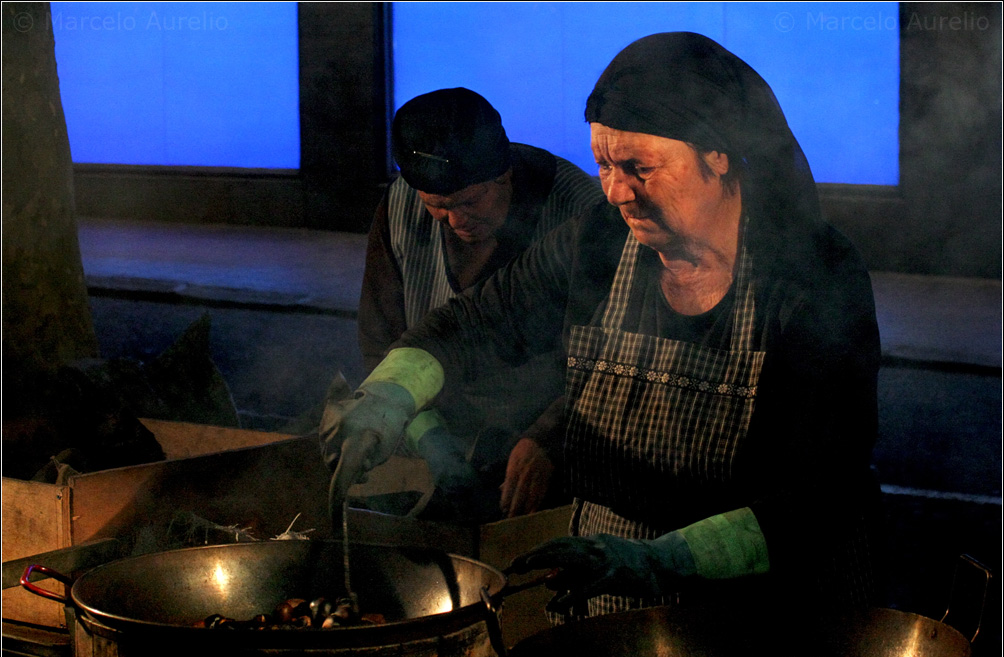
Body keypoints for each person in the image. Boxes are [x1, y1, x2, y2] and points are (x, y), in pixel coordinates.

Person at [322, 33, 881, 617]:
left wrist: (668, 559)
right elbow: (473, 325)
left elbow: (825, 495)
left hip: (766, 604)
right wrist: (389, 393)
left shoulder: (815, 278)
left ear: (719, 154)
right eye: (604, 165)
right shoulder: (599, 241)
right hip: (613, 591)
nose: (616, 193)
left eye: (639, 168)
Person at [354, 87, 604, 521]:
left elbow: (607, 357)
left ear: (504, 175)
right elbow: (382, 339)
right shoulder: (399, 207)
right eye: (437, 206)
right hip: (439, 433)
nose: (455, 221)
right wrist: (426, 433)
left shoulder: (579, 213)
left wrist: (549, 438)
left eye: (470, 202)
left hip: (547, 436)